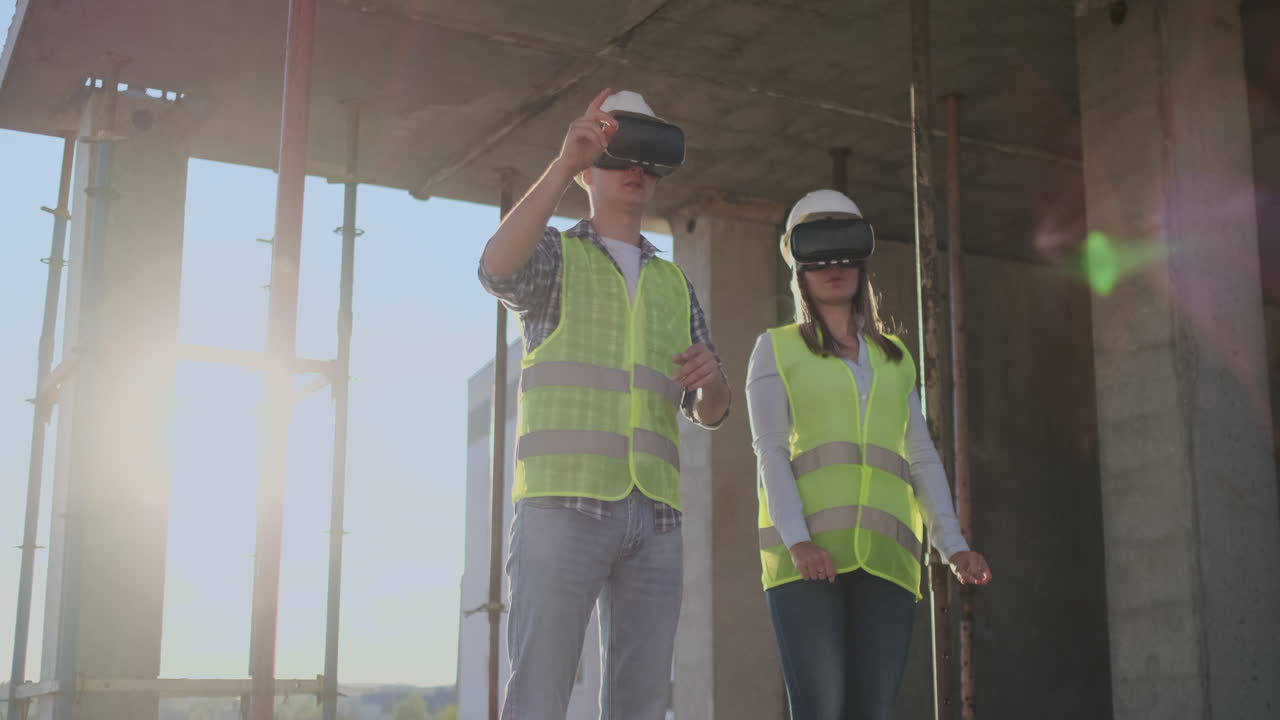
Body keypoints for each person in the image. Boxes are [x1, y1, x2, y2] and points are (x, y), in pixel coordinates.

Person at [478, 88, 731, 720]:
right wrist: (562, 162)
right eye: (619, 155)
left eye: (648, 159)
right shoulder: (556, 256)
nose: (636, 170)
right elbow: (495, 270)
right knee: (540, 694)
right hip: (563, 506)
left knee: (642, 703)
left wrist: (713, 381)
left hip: (656, 517)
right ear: (590, 171)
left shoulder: (674, 283)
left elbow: (708, 410)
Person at [745, 189, 992, 720]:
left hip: (888, 563)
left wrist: (953, 546)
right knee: (822, 708)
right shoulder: (776, 349)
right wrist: (799, 541)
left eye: (845, 250)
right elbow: (770, 452)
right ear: (798, 266)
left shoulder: (896, 358)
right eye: (819, 254)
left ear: (862, 259)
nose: (834, 266)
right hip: (807, 565)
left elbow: (920, 456)